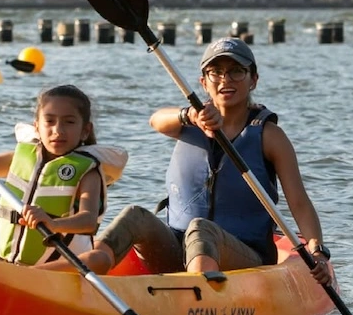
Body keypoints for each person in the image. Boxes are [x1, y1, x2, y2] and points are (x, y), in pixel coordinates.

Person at [82, 37, 332, 285]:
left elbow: (299, 202)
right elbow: (155, 120)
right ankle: (83, 269)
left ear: (253, 79)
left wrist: (317, 251)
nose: (226, 79)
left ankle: (199, 294)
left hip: (243, 259)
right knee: (134, 215)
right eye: (216, 72)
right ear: (204, 82)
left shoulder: (269, 136)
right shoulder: (189, 122)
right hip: (178, 250)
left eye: (237, 71)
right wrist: (190, 115)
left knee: (202, 228)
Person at [0, 84, 127, 267]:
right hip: (6, 261)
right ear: (37, 127)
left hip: (57, 270)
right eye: (50, 121)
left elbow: (88, 221)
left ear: (85, 130)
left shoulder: (88, 173)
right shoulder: (18, 159)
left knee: (98, 260)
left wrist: (52, 223)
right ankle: (11, 275)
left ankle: (23, 277)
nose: (58, 130)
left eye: (69, 122)